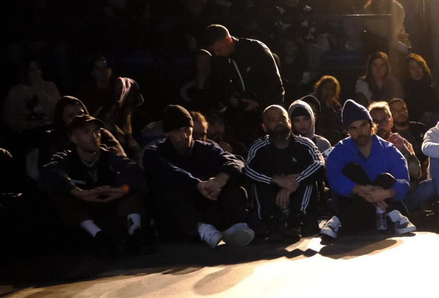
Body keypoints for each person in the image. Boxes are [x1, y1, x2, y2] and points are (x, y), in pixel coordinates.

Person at [142, 104, 256, 247]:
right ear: (168, 133)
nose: (184, 136)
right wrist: (197, 184)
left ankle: (233, 226)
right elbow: (167, 172)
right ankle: (200, 229)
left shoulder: (205, 147)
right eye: (178, 131)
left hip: (207, 204)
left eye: (187, 130)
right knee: (168, 189)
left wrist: (221, 179)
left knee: (232, 183)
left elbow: (236, 161)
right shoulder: (154, 152)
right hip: (178, 215)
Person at [39, 113, 149, 251]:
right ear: (74, 138)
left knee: (132, 187)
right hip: (87, 213)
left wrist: (123, 189)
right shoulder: (66, 158)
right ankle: (97, 235)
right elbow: (48, 174)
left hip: (111, 207)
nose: (94, 136)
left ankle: (135, 234)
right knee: (61, 194)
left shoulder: (109, 154)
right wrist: (77, 191)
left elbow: (134, 169)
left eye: (97, 131)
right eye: (86, 132)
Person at [323, 100, 415, 237]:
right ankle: (393, 214)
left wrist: (387, 193)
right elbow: (333, 176)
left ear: (371, 126)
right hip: (355, 210)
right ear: (348, 131)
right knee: (352, 169)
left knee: (386, 178)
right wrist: (356, 188)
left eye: (363, 126)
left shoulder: (388, 150)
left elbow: (404, 180)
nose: (360, 132)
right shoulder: (341, 150)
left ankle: (339, 219)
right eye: (353, 128)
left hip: (382, 210)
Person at [243, 104, 326, 238]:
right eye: (272, 120)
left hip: (299, 198)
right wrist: (276, 180)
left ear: (289, 122)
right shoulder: (259, 147)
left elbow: (319, 164)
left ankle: (300, 220)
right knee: (259, 182)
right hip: (271, 200)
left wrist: (293, 184)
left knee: (309, 178)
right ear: (264, 127)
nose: (279, 123)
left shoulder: (305, 144)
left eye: (282, 118)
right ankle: (269, 223)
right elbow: (248, 170)